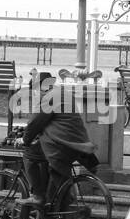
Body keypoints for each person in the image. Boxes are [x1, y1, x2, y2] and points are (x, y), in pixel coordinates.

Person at [20, 72, 98, 209]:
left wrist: (25, 140)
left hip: (62, 145)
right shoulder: (63, 92)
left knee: (29, 154)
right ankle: (55, 205)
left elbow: (35, 123)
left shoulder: (49, 97)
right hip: (79, 143)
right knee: (51, 165)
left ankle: (38, 196)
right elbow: (54, 122)